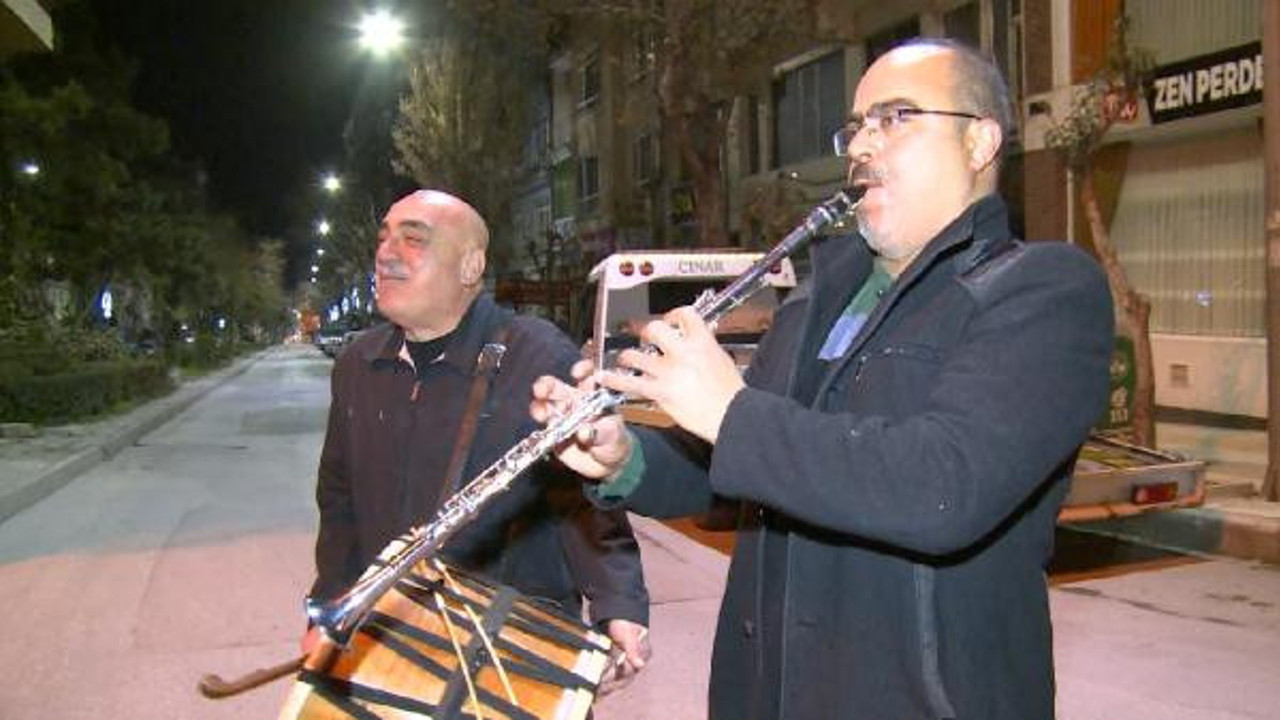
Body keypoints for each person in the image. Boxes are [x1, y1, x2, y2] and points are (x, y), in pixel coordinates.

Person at [532, 38, 1113, 720]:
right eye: (858, 125)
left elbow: (943, 485)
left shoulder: (1043, 291)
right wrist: (625, 457)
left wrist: (731, 412)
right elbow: (737, 472)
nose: (864, 144)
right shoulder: (815, 297)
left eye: (896, 117)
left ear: (979, 142)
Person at [306, 189, 651, 682]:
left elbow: (581, 495)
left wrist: (619, 602)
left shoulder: (537, 355)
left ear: (470, 267)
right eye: (384, 238)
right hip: (391, 647)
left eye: (413, 239)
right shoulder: (357, 366)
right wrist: (329, 603)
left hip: (509, 654)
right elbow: (338, 503)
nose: (385, 253)